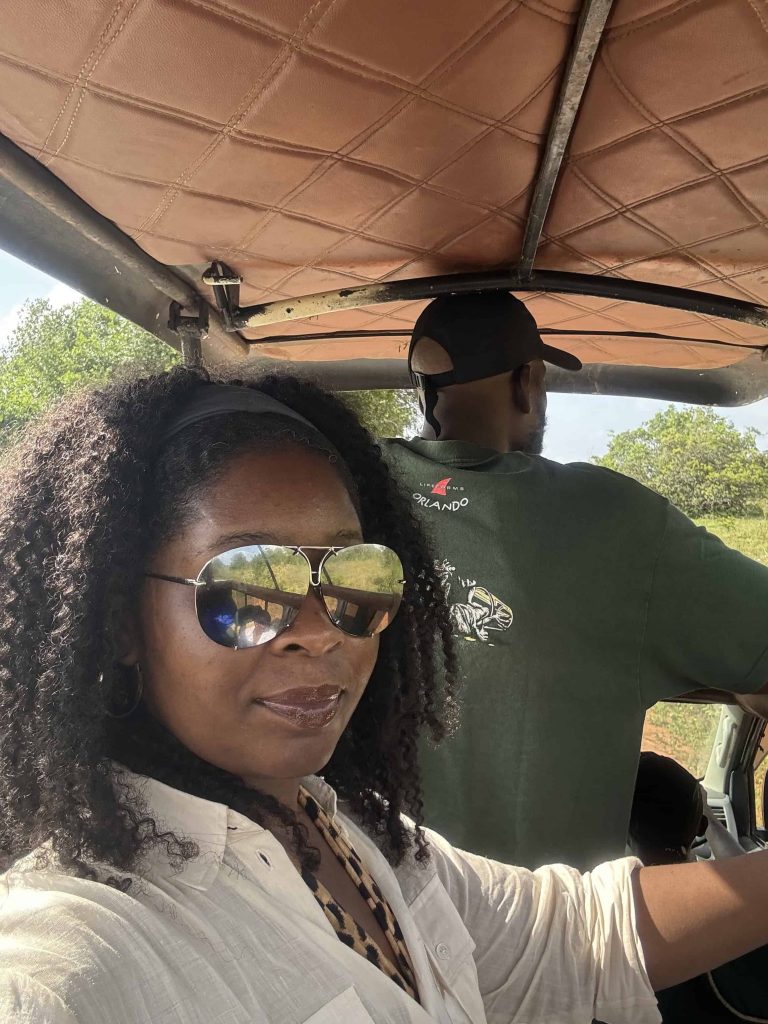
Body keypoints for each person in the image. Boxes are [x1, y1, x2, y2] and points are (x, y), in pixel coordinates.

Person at [3, 368, 768, 1024]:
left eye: (355, 578)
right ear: (120, 622)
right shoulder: (78, 947)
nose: (322, 632)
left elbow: (568, 937)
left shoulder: (355, 832)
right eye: (246, 585)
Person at [380, 292, 768, 870]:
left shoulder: (343, 485)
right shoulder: (615, 520)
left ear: (424, 393)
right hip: (548, 939)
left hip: (351, 921)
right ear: (528, 383)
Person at [628, 752, 768, 1023]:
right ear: (694, 831)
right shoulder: (737, 930)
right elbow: (750, 892)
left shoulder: (600, 927)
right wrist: (709, 823)